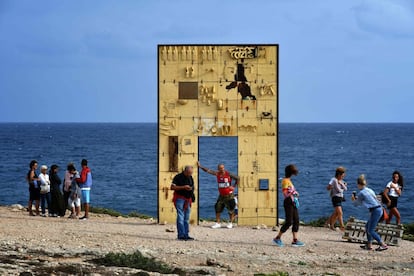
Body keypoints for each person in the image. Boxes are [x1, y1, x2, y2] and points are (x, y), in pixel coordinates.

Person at [197, 161, 240, 229]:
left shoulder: (228, 174)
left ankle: (230, 223)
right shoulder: (217, 174)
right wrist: (200, 166)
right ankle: (217, 223)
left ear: (224, 168)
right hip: (221, 195)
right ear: (218, 169)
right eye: (220, 168)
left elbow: (237, 178)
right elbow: (208, 171)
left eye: (223, 168)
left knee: (231, 209)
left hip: (229, 195)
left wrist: (234, 186)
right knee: (217, 208)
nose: (222, 169)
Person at [352, 174, 388, 251]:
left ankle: (383, 244)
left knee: (370, 230)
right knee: (367, 226)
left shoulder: (361, 193)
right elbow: (370, 199)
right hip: (379, 209)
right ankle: (369, 245)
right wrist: (358, 199)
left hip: (375, 210)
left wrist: (353, 199)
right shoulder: (369, 190)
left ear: (359, 184)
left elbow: (356, 204)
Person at [273, 164, 305, 247]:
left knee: (296, 220)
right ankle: (277, 238)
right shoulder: (285, 181)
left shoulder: (288, 180)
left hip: (293, 202)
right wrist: (293, 192)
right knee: (289, 222)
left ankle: (295, 239)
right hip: (288, 202)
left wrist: (294, 193)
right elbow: (285, 192)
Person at [171, 165, 195, 241]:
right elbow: (172, 187)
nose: (190, 174)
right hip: (179, 198)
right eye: (189, 173)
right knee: (181, 216)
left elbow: (192, 187)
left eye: (191, 173)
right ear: (185, 171)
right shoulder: (178, 177)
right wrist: (183, 187)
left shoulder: (190, 177)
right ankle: (181, 235)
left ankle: (186, 234)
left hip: (188, 199)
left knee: (186, 218)